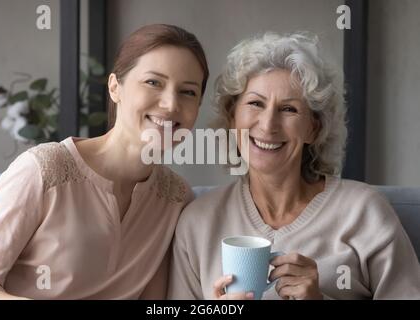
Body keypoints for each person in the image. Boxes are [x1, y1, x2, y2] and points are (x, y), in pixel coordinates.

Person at [168, 32, 420, 300]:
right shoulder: (197, 222)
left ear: (314, 128)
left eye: (289, 109)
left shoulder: (365, 212)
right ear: (232, 119)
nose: (268, 125)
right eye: (255, 104)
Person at [0, 24, 209, 299]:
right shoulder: (43, 169)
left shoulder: (175, 198)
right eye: (153, 82)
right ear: (115, 87)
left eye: (188, 92)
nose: (170, 104)